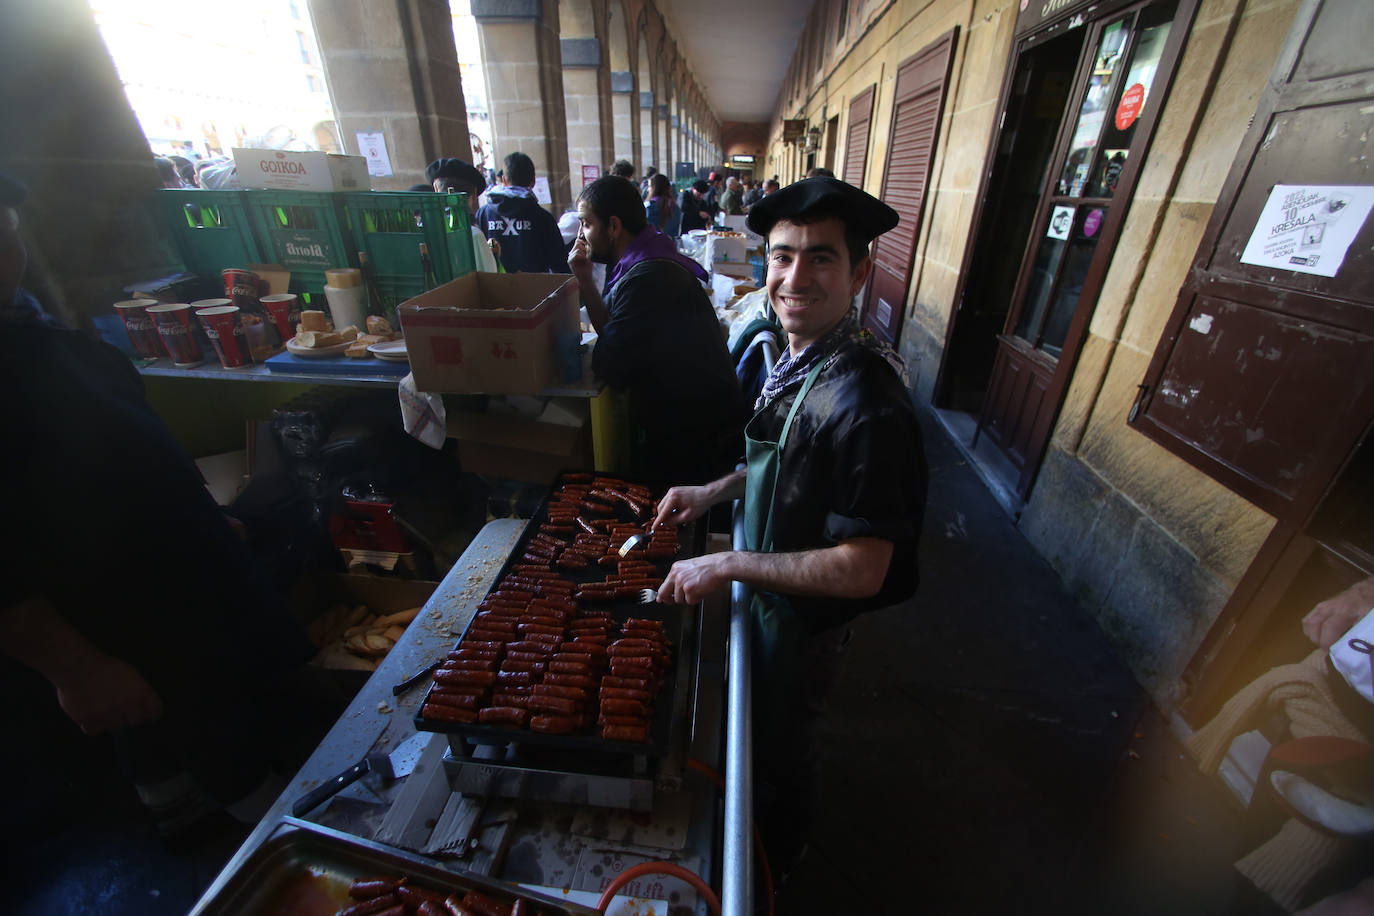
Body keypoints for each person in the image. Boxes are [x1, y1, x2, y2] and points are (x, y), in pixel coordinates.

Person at [0, 172, 343, 835]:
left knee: (258, 721)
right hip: (124, 622)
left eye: (7, 224)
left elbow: (133, 446)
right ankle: (270, 853)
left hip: (196, 582)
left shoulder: (34, 332)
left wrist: (209, 519)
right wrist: (76, 669)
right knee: (219, 766)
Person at [650, 175, 927, 873]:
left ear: (860, 272)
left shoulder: (868, 401)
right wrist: (713, 491)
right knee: (756, 726)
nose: (794, 277)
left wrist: (728, 563)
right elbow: (796, 465)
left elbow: (865, 567)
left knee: (783, 740)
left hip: (806, 619)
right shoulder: (806, 354)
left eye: (821, 258)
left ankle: (783, 852)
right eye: (781, 256)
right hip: (770, 586)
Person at [568, 176, 747, 486]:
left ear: (613, 226)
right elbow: (612, 330)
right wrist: (585, 280)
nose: (581, 235)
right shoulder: (649, 261)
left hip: (697, 442)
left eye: (586, 223)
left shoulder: (648, 278)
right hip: (692, 426)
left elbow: (609, 365)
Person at [476, 152, 569, 274]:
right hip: (535, 288)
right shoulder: (543, 218)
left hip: (495, 287)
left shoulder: (483, 214)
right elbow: (559, 265)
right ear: (533, 182)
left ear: (504, 180)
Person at [427, 157, 499, 273]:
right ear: (475, 194)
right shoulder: (473, 235)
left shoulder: (425, 231)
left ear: (436, 188)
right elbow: (490, 278)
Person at [644, 172, 681, 238]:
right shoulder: (675, 207)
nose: (647, 189)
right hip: (670, 245)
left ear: (654, 188)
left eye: (649, 186)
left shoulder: (649, 207)